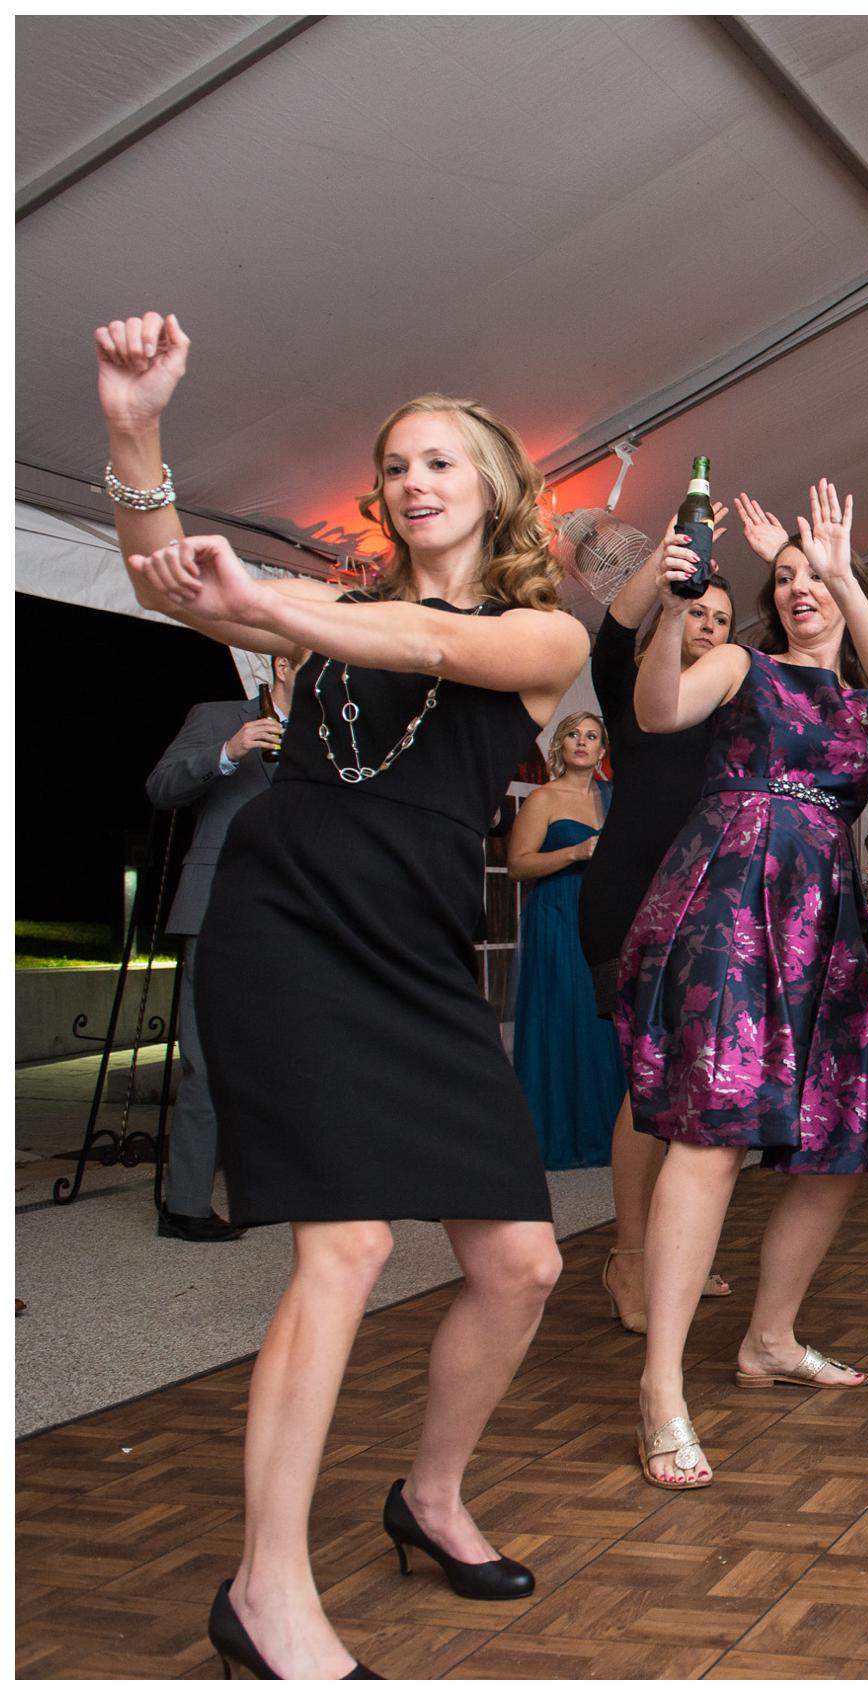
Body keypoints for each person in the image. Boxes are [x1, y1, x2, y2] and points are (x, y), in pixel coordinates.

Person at [101, 311, 586, 1679]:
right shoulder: (327, 607)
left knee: (522, 1259)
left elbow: (437, 653)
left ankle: (429, 1493)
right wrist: (138, 427)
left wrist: (267, 605)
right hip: (289, 924)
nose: (414, 477)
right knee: (349, 1245)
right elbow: (162, 579)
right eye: (396, 461)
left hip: (420, 952)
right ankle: (267, 1588)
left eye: (441, 458)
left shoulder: (541, 632)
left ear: (494, 485)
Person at [618, 478, 868, 1491]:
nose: (798, 588)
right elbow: (659, 710)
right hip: (732, 905)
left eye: (815, 575)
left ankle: (770, 1339)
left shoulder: (867, 700)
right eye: (782, 577)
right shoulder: (742, 665)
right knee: (712, 1139)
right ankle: (661, 1383)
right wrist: (671, 611)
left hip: (824, 921)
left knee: (832, 1145)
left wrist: (844, 575)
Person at [576, 538, 740, 1331]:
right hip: (626, 901)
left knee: (686, 1087)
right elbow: (613, 627)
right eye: (698, 610)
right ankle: (629, 1258)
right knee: (651, 1084)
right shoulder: (629, 686)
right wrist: (673, 566)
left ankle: (671, 1250)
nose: (708, 625)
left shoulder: (735, 706)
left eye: (721, 619)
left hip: (701, 913)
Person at [144, 654, 302, 1242]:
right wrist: (229, 752)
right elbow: (162, 789)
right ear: (283, 665)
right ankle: (184, 1205)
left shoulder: (334, 735)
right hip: (214, 909)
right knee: (208, 1062)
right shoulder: (218, 717)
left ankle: (272, 1189)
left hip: (295, 919)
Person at [506, 711, 623, 1170]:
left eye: (592, 736)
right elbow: (517, 865)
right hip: (557, 913)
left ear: (601, 750)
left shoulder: (616, 797)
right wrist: (574, 851)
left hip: (606, 914)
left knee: (605, 1019)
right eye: (574, 734)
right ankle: (557, 1133)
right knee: (563, 1009)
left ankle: (611, 1134)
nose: (582, 742)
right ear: (562, 744)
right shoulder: (544, 798)